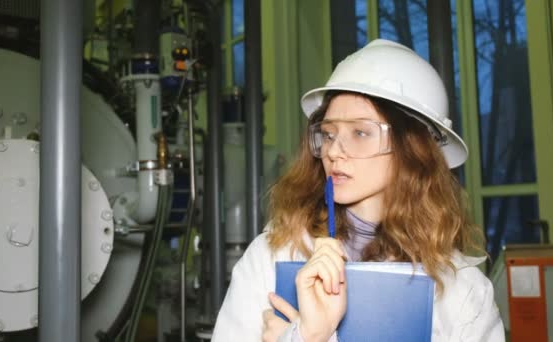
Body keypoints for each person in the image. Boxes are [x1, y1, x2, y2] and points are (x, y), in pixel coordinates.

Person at [211, 39, 504, 341]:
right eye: (328, 134)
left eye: (360, 132)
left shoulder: (462, 289)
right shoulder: (270, 256)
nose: (334, 151)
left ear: (414, 148)